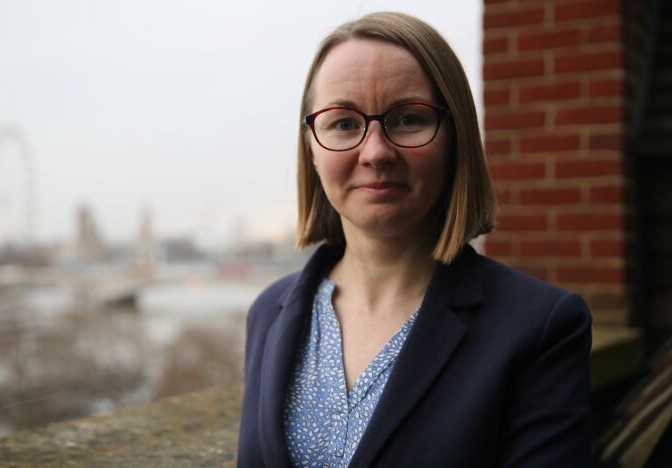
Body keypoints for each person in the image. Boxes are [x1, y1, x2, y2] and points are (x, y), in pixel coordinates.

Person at [238, 12, 592, 468]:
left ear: (455, 137)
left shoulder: (541, 328)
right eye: (344, 123)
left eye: (408, 119)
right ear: (312, 146)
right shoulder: (270, 313)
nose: (376, 152)